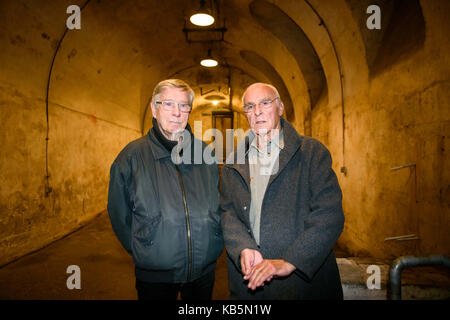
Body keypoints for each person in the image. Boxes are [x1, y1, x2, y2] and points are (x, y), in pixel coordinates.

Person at [220, 83, 345, 299]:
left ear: (280, 107)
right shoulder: (233, 162)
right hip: (250, 285)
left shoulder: (312, 153)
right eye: (249, 107)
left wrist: (291, 261)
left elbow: (329, 215)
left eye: (265, 103)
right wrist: (242, 247)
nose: (257, 111)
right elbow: (228, 213)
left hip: (301, 286)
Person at [107, 79, 223, 300]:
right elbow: (119, 214)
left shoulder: (205, 153)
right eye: (168, 104)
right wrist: (144, 246)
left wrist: (214, 234)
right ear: (154, 108)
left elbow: (218, 203)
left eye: (183, 105)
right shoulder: (132, 157)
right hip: (155, 274)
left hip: (203, 269)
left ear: (189, 110)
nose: (176, 112)